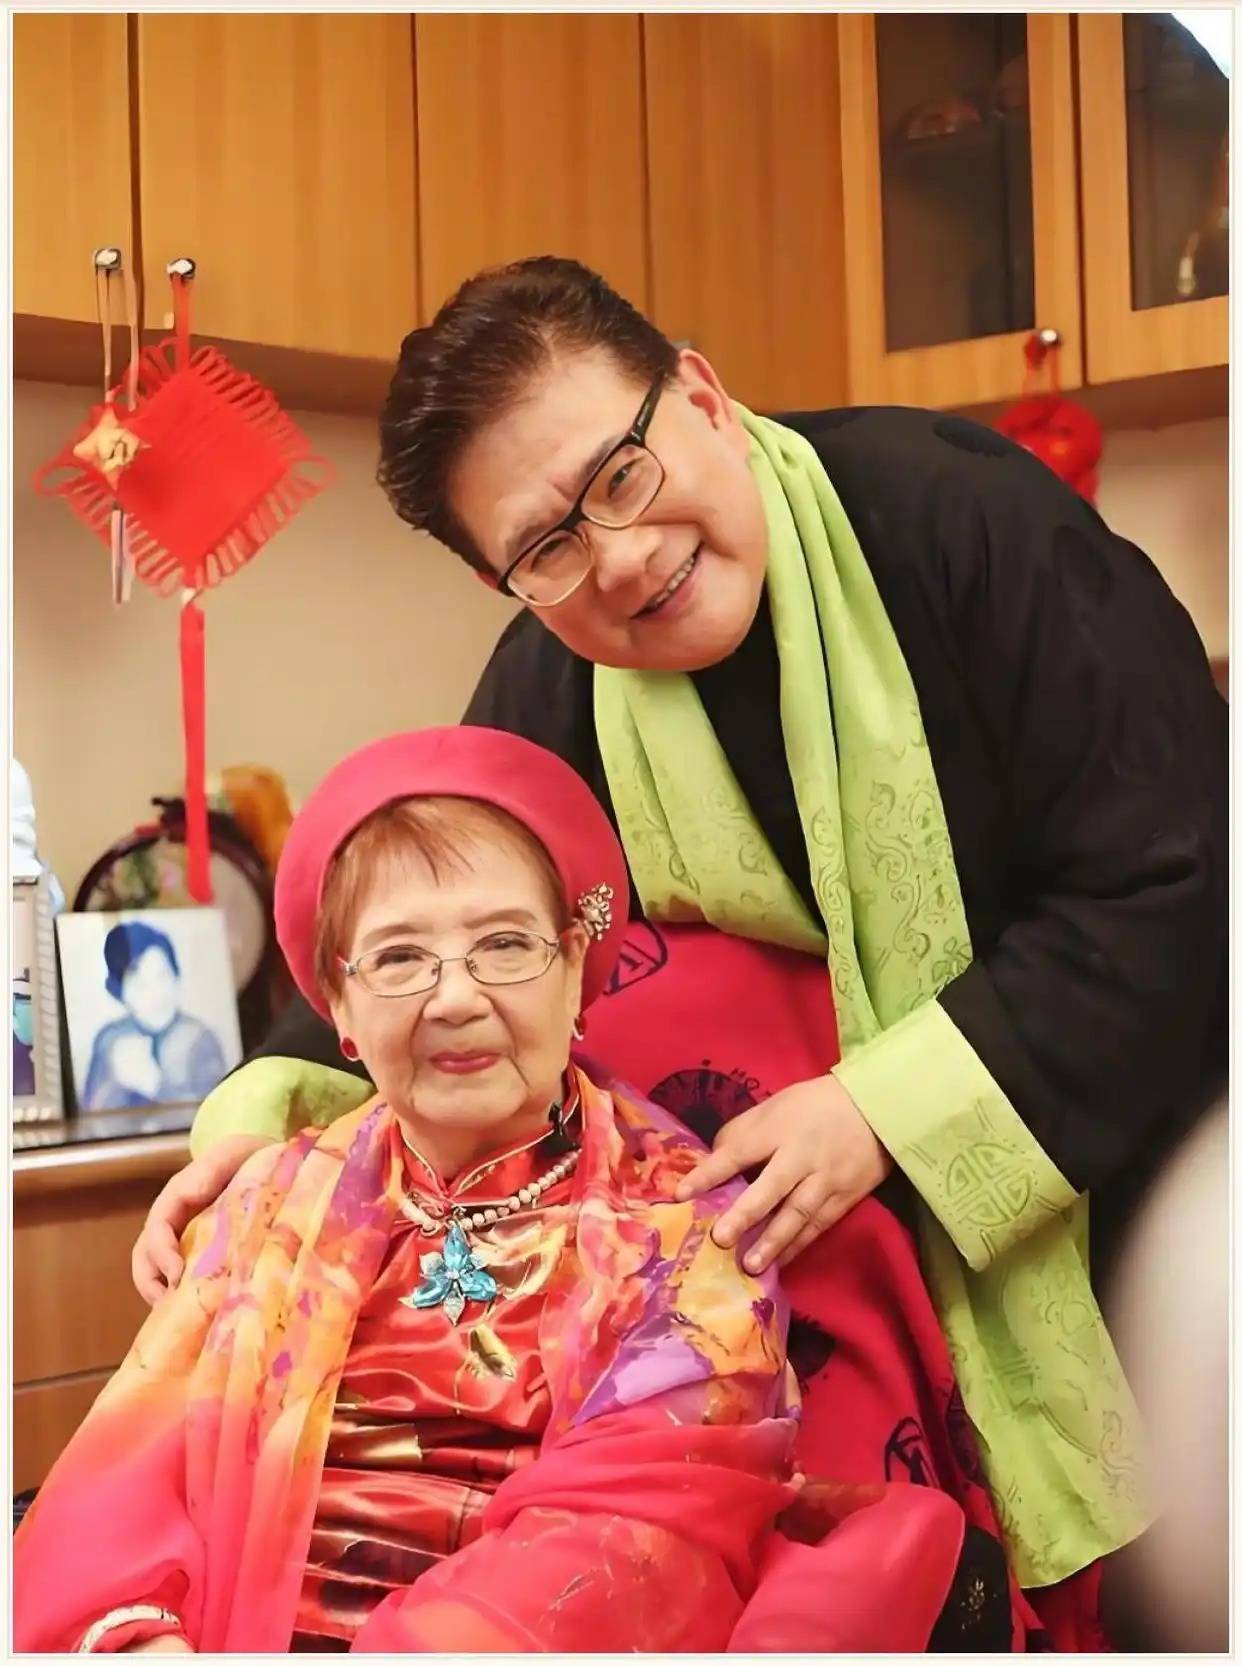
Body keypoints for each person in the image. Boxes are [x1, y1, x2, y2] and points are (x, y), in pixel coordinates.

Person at [132, 257, 1227, 1640]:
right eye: (545, 548)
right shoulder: (554, 677)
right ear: (505, 581)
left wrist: (882, 1111)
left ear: (701, 395)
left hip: (1141, 1209)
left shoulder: (967, 519)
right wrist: (257, 1139)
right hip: (792, 1289)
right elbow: (425, 924)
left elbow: (1182, 873)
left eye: (624, 473)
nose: (619, 557)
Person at [14, 727, 1027, 1653]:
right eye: (400, 958)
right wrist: (143, 1639)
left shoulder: (685, 1229)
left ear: (576, 970)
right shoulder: (270, 1198)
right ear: (342, 1012)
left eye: (505, 944)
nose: (456, 997)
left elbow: (629, 1537)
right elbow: (130, 1471)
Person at [82, 921, 227, 1110]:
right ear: (120, 993)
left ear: (176, 976)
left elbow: (218, 1113)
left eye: (162, 976)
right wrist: (115, 1087)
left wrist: (156, 1085)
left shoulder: (199, 1039)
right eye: (140, 984)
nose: (156, 994)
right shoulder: (109, 1040)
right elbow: (91, 1115)